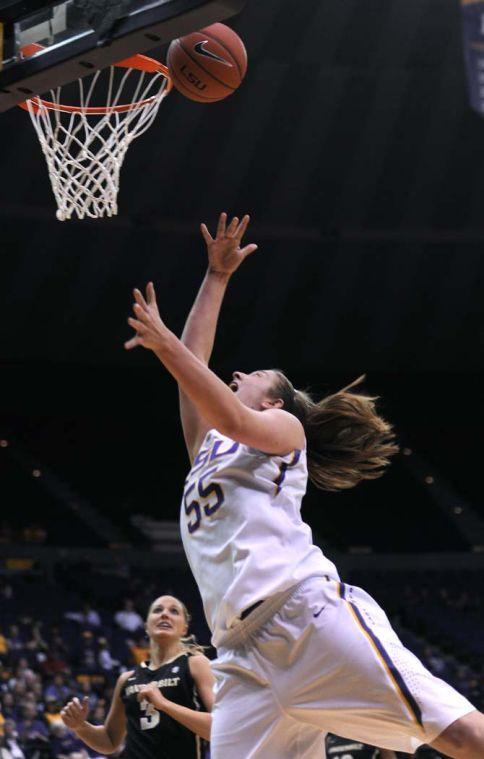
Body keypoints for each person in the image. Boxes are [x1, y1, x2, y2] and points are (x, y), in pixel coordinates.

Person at [124, 212, 484, 759]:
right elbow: (194, 366)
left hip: (304, 618)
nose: (235, 376)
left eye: (251, 376)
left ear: (274, 400)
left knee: (462, 737)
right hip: (240, 657)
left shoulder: (283, 432)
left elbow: (222, 403)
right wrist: (216, 279)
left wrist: (165, 345)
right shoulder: (207, 449)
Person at [61, 595, 214, 759]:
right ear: (146, 625)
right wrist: (80, 727)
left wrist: (164, 704)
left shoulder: (196, 664)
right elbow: (110, 741)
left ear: (184, 628)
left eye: (174, 611)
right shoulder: (127, 679)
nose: (164, 614)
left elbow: (220, 726)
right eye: (157, 610)